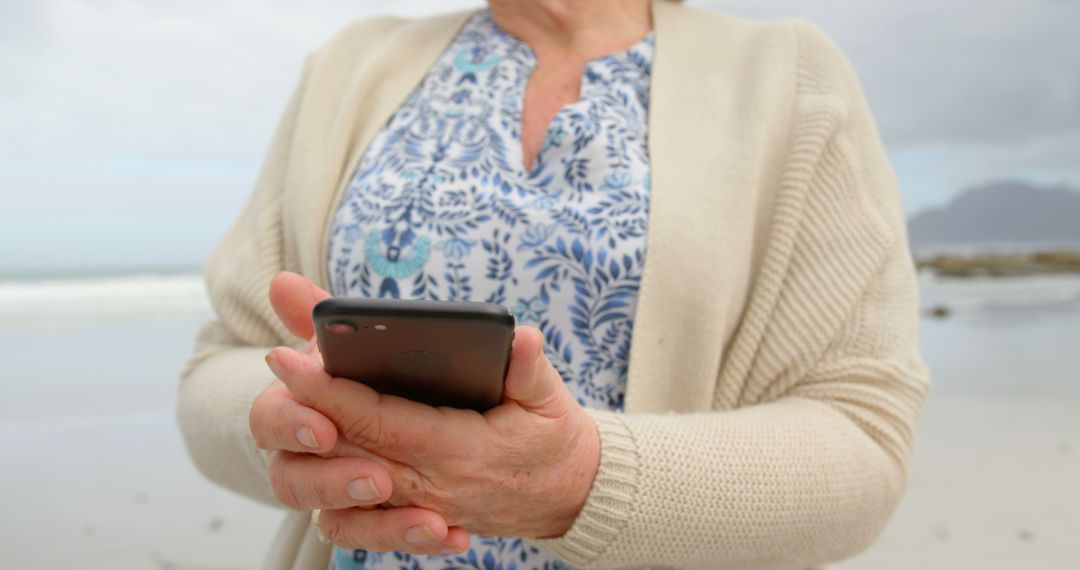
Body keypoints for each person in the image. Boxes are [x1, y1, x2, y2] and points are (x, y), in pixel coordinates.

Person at [178, 0, 929, 569]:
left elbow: (862, 434)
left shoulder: (790, 76)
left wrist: (578, 481)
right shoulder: (349, 65)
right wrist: (302, 431)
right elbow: (219, 368)